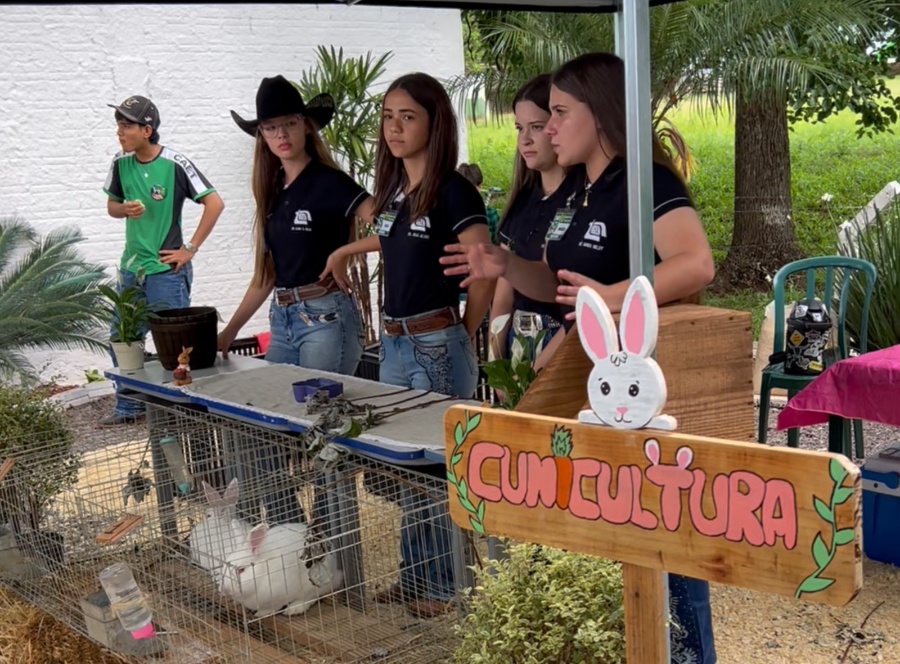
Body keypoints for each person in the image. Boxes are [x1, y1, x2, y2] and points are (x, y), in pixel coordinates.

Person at [441, 52, 716, 663]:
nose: (549, 128)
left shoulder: (646, 178)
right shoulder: (584, 188)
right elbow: (560, 284)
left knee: (664, 533)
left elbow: (696, 263)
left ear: (603, 113)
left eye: (561, 114)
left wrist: (614, 297)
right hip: (589, 388)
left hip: (642, 396)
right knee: (613, 529)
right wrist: (505, 267)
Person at [322, 72, 495, 618]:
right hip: (396, 346)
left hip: (435, 341)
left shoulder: (453, 190)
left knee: (436, 467)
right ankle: (414, 576)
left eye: (408, 117)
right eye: (388, 116)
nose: (394, 128)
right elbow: (398, 237)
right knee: (406, 469)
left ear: (434, 122)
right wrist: (347, 250)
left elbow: (484, 264)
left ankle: (444, 587)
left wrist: (464, 330)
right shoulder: (400, 190)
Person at [217, 75, 373, 525]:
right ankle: (291, 530)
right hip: (283, 318)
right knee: (263, 426)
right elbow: (266, 276)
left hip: (325, 318)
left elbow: (393, 229)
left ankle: (332, 544)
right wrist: (227, 334)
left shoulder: (331, 182)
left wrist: (345, 251)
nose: (280, 135)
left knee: (323, 435)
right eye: (270, 128)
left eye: (288, 124)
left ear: (307, 126)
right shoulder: (273, 192)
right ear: (261, 137)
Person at [102, 95, 224, 426]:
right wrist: (124, 209)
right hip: (132, 270)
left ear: (147, 129)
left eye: (126, 126)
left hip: (166, 273)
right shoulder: (120, 163)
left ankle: (180, 411)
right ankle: (130, 409)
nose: (119, 132)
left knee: (176, 348)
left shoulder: (175, 164)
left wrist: (190, 248)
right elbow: (111, 206)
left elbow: (214, 203)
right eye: (118, 125)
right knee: (122, 339)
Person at [491, 74, 572, 370]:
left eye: (536, 127)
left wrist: (536, 373)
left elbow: (577, 311)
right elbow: (502, 296)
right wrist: (495, 363)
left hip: (563, 348)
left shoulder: (585, 200)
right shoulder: (521, 201)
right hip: (516, 345)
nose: (524, 139)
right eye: (519, 128)